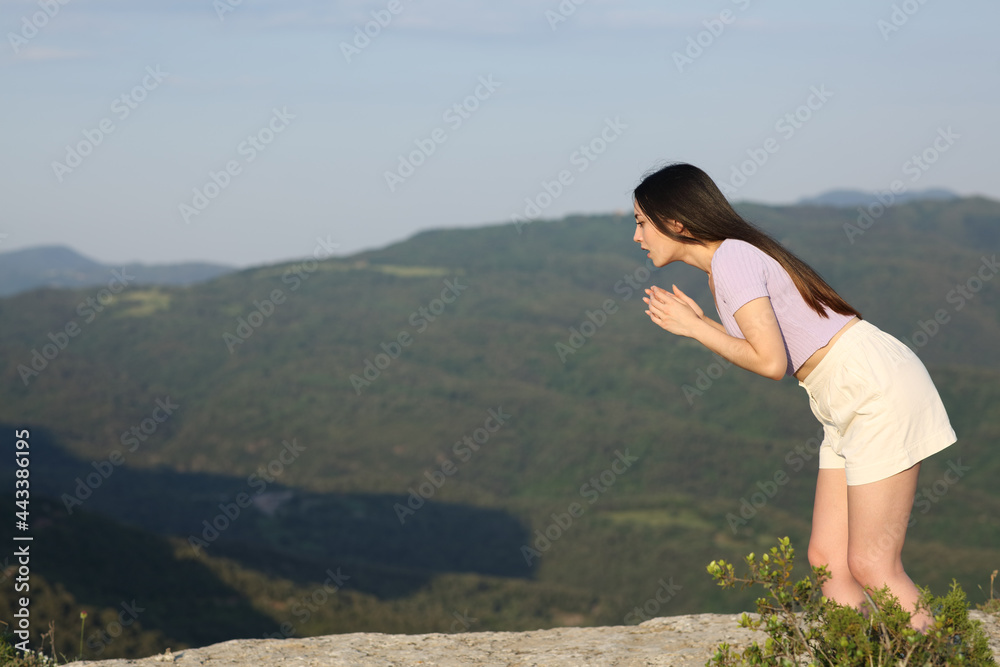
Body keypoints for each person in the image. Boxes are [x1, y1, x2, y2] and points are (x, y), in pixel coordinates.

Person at [633, 162, 956, 630]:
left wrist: (696, 330)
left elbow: (770, 363)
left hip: (872, 387)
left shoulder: (732, 259)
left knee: (872, 564)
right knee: (828, 560)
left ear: (676, 222)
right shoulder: (727, 264)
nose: (637, 236)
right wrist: (701, 323)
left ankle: (942, 659)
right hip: (841, 396)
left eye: (642, 221)